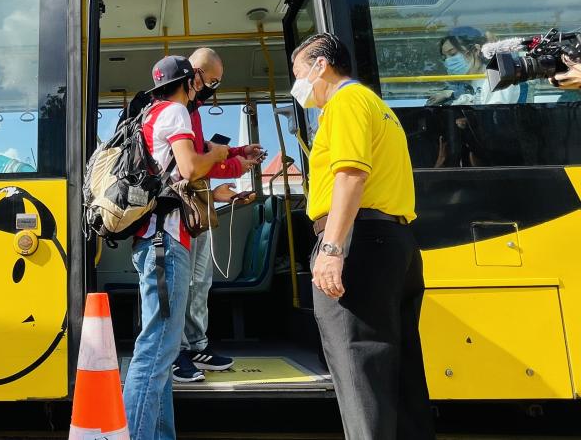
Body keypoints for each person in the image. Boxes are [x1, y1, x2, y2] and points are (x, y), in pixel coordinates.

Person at [290, 33, 435, 439]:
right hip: (394, 242)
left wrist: (332, 248)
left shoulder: (345, 102)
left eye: (299, 72)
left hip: (359, 240)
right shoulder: (378, 105)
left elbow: (351, 174)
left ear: (321, 66)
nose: (297, 84)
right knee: (400, 368)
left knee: (359, 367)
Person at [122, 55, 236, 440]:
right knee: (156, 349)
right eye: (199, 84)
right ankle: (136, 435)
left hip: (152, 240)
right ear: (188, 83)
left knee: (162, 350)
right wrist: (219, 154)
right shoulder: (175, 112)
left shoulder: (150, 113)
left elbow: (174, 178)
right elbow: (190, 169)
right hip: (166, 242)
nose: (201, 91)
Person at [172, 47, 262, 383]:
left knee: (199, 282)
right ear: (193, 74)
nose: (213, 89)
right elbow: (190, 165)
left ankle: (196, 345)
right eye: (210, 81)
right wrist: (235, 164)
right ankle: (177, 349)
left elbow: (204, 153)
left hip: (197, 205)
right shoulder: (176, 111)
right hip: (182, 208)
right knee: (182, 284)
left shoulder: (191, 111)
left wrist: (238, 152)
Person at [427, 26, 523, 105]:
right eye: (445, 58)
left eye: (452, 54)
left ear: (476, 50)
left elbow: (493, 112)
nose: (448, 61)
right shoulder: (467, 84)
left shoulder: (497, 75)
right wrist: (450, 94)